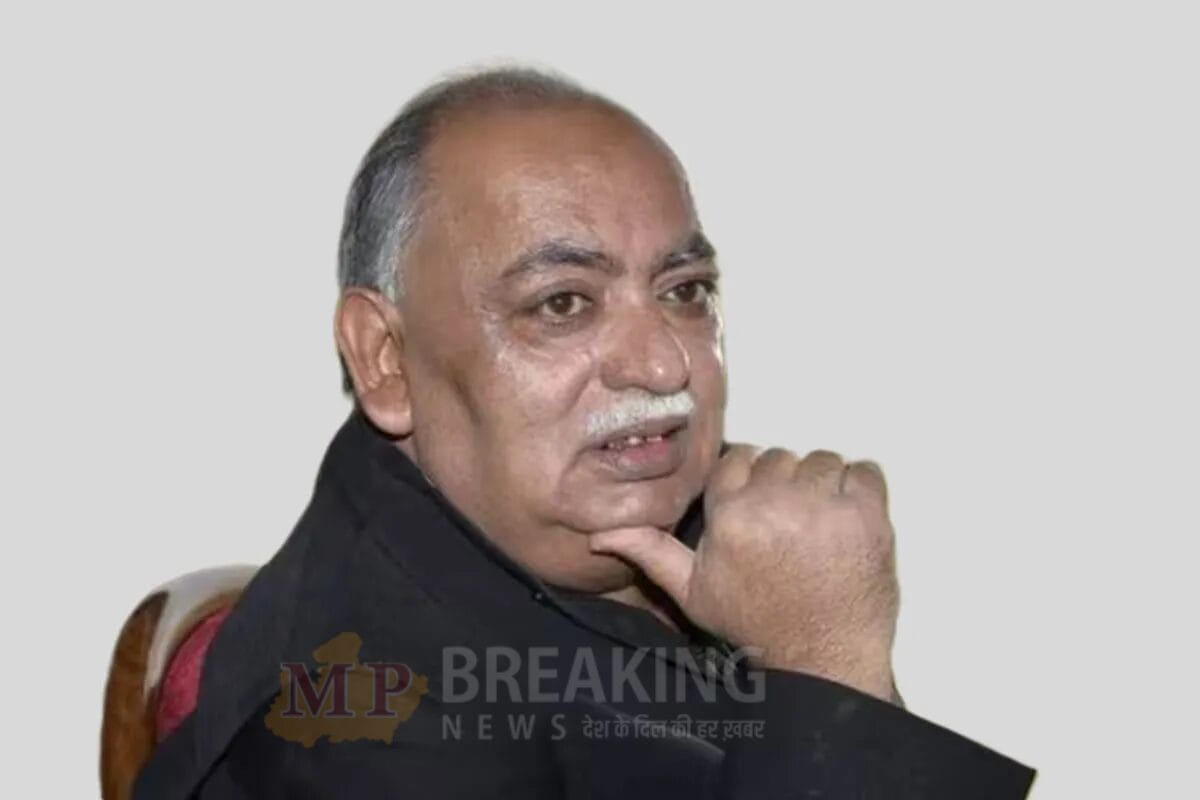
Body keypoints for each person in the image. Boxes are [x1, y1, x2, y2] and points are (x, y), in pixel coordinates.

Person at [133, 67, 1036, 798]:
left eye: (685, 291)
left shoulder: (695, 539)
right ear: (385, 361)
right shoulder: (359, 730)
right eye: (562, 304)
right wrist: (828, 673)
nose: (663, 364)